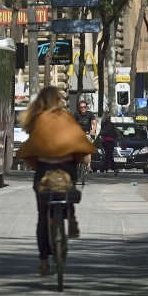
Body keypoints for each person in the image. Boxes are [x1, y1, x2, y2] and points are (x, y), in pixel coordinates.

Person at [15, 86, 94, 276]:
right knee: (69, 188)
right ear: (58, 100)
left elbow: (30, 149)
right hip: (67, 168)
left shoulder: (37, 119)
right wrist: (82, 157)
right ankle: (71, 218)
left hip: (43, 171)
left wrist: (33, 163)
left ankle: (43, 262)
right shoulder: (66, 117)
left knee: (43, 216)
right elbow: (78, 142)